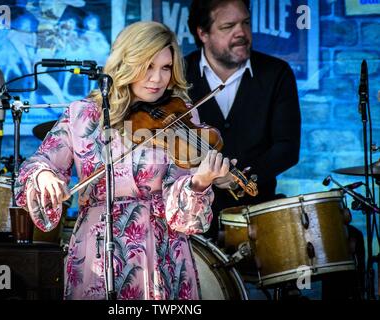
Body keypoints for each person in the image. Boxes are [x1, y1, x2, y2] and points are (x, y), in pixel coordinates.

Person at [15, 21, 235, 300]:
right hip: (96, 253)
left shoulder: (182, 115)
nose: (157, 79)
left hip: (162, 254)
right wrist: (44, 175)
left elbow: (184, 218)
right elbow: (36, 164)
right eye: (147, 66)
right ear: (126, 63)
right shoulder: (83, 116)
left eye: (165, 68)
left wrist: (199, 183)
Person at [185, 0, 301, 242]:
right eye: (228, 26)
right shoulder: (178, 74)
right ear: (203, 33)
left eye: (245, 23)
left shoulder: (276, 73)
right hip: (193, 219)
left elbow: (287, 147)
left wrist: (242, 179)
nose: (241, 33)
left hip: (258, 215)